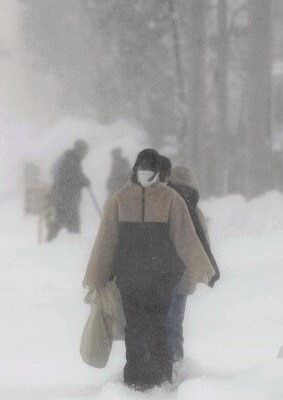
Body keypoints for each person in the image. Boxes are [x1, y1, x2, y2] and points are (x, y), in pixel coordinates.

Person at [83, 149, 215, 390]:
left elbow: (186, 238)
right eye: (142, 168)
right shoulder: (120, 199)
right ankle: (135, 376)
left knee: (156, 324)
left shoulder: (170, 200)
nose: (146, 174)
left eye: (150, 169)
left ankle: (159, 375)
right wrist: (96, 277)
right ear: (136, 169)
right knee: (134, 326)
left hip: (162, 277)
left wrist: (203, 269)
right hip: (129, 277)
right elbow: (106, 241)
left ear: (156, 172)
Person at [163, 162, 221, 362]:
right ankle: (176, 362)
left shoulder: (165, 206)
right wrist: (208, 270)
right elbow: (203, 243)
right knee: (174, 324)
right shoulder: (195, 212)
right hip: (183, 277)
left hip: (162, 274)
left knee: (161, 323)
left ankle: (165, 364)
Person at [47, 140, 91, 242]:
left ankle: (68, 245)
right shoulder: (71, 161)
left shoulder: (73, 160)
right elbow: (72, 177)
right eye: (85, 151)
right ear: (79, 150)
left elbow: (76, 175)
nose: (85, 154)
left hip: (69, 199)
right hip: (66, 199)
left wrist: (83, 180)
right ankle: (50, 242)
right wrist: (83, 181)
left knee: (71, 225)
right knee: (63, 222)